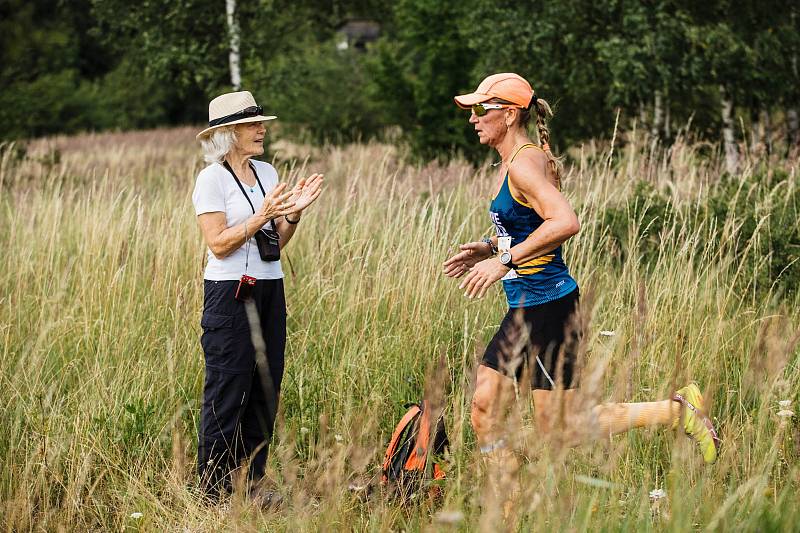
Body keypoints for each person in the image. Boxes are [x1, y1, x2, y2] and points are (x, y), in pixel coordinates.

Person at [443, 73, 720, 466]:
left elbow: (565, 222)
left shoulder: (523, 165)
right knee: (484, 408)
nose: (472, 118)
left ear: (507, 115)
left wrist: (502, 261)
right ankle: (505, 507)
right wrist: (489, 246)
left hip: (548, 309)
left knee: (562, 430)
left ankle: (678, 412)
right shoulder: (513, 162)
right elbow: (535, 226)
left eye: (479, 109)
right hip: (526, 305)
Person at [192, 90, 323, 499]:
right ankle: (213, 491)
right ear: (229, 133)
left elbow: (275, 243)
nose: (262, 129)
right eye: (253, 124)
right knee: (229, 386)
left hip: (270, 286)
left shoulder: (266, 173)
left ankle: (251, 482)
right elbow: (217, 244)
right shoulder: (211, 179)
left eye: (261, 122)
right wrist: (261, 215)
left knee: (266, 385)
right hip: (229, 292)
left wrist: (293, 216)